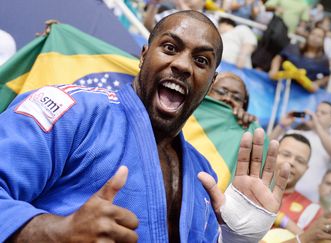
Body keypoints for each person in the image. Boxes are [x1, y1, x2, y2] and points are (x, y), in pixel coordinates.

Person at [0, 11, 290, 242]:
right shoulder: (73, 110)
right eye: (170, 47)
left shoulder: (204, 175)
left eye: (201, 60)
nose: (183, 66)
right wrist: (55, 232)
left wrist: (235, 238)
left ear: (211, 83)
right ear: (142, 56)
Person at [270, 101, 331, 202]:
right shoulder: (296, 133)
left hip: (306, 200)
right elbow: (268, 146)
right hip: (277, 190)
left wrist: (316, 125)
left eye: (323, 113)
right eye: (316, 111)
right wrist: (281, 125)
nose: (317, 114)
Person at [273, 134, 323, 233]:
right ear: (273, 154)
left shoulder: (312, 211)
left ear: (306, 169)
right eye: (286, 154)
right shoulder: (248, 187)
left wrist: (281, 219)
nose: (291, 162)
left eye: (300, 160)